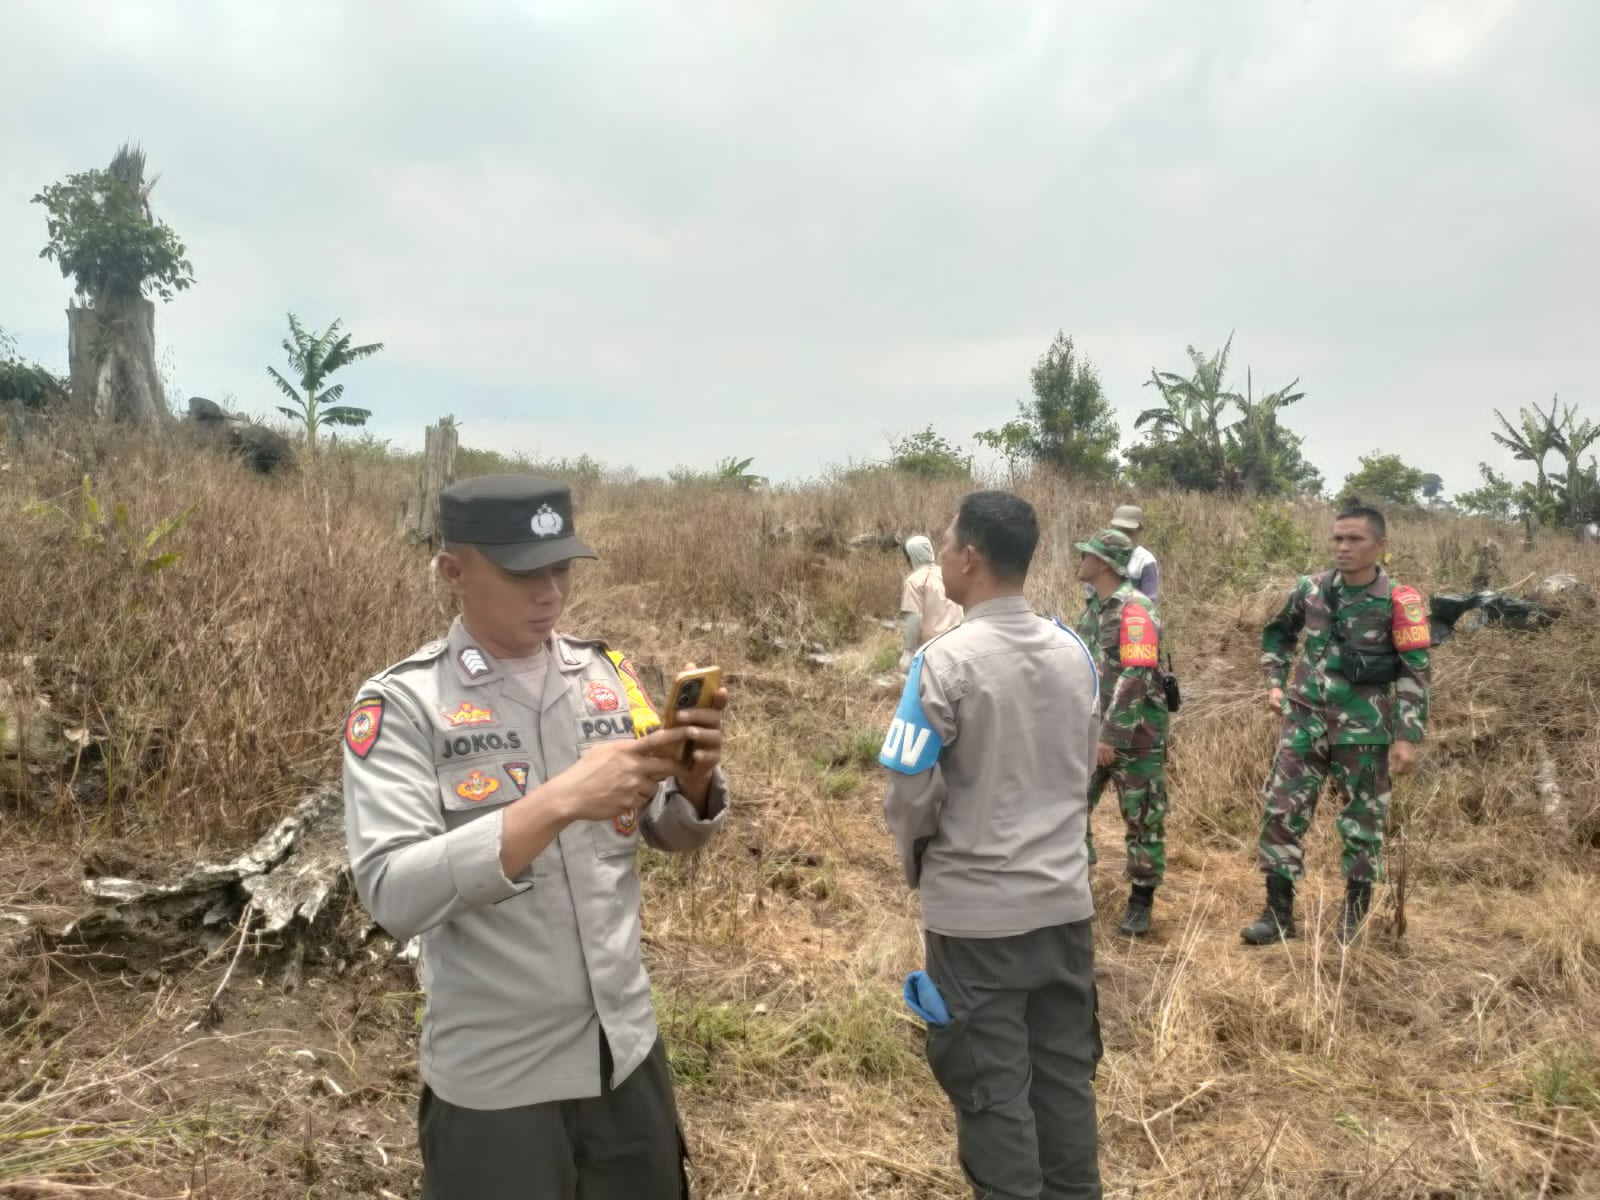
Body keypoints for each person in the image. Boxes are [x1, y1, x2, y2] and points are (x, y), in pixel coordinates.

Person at [342, 475, 730, 1200]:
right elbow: (392, 892)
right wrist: (554, 804)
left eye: (560, 569)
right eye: (523, 573)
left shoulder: (606, 678)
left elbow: (665, 829)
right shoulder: (403, 705)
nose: (549, 593)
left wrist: (697, 780)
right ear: (453, 571)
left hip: (626, 1054)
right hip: (499, 1084)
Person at [880, 490, 1104, 1200]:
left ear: (969, 558)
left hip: (976, 925)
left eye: (947, 545)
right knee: (1065, 1080)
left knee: (991, 1094)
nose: (942, 556)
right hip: (1065, 909)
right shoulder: (1075, 651)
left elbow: (908, 793)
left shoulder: (942, 663)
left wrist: (922, 864)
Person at [1241, 503, 1429, 947]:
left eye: (1355, 539)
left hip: (1364, 730)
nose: (1343, 547)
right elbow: (1278, 633)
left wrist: (1407, 735)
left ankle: (1354, 916)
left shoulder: (1400, 601)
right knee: (1281, 811)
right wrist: (1275, 681)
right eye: (1338, 539)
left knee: (1363, 822)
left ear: (1381, 546)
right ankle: (1278, 914)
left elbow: (1416, 669)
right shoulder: (1311, 590)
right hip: (1304, 722)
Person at [1075, 528, 1169, 938]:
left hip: (1136, 735)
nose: (1082, 560)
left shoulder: (1136, 609)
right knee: (1070, 804)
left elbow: (1137, 674)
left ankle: (1140, 902)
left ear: (1105, 564)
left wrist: (1110, 735)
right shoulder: (1092, 608)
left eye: (1088, 555)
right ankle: (1079, 881)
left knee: (1143, 817)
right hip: (1091, 728)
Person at [897, 533, 963, 674]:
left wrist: (908, 653)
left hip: (934, 650)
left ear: (912, 556)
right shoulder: (946, 573)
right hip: (960, 644)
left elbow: (913, 619)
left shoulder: (914, 581)